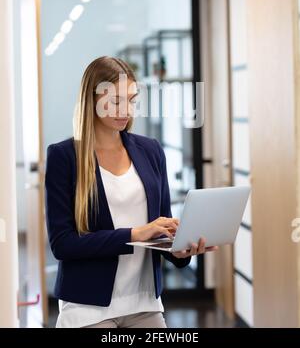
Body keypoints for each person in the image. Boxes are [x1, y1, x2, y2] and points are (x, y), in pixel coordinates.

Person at [45, 56, 217, 328]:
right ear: (92, 100)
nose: (126, 109)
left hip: (144, 302)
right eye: (114, 101)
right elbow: (63, 244)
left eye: (132, 100)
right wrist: (134, 234)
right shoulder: (64, 157)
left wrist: (181, 250)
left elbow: (162, 229)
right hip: (88, 307)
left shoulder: (150, 151)